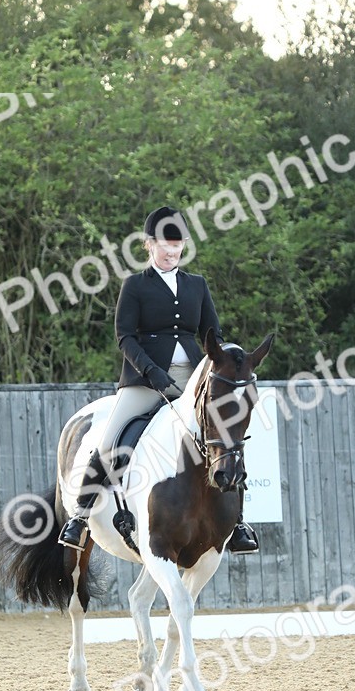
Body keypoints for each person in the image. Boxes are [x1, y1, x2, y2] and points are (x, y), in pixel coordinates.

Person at [58, 205, 260, 554]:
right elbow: (125, 336)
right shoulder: (135, 285)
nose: (171, 251)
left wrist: (229, 359)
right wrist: (151, 371)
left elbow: (213, 333)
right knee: (110, 440)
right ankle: (79, 516)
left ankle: (237, 521)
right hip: (144, 379)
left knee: (225, 438)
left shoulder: (197, 285)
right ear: (148, 245)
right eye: (164, 245)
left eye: (177, 244)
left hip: (193, 380)